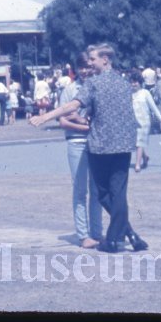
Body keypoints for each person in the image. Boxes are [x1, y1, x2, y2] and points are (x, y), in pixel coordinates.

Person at [30, 43, 147, 253]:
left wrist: (45, 116)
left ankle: (114, 239)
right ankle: (128, 235)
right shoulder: (123, 83)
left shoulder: (93, 83)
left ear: (105, 59)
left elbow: (72, 106)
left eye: (93, 59)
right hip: (123, 145)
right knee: (118, 193)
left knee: (103, 194)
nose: (90, 63)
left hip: (101, 146)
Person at [56, 54, 103, 249]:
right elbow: (62, 120)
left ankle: (97, 233)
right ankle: (83, 235)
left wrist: (81, 120)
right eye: (81, 67)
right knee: (80, 190)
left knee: (97, 190)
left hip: (97, 143)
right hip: (76, 142)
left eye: (87, 67)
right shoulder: (69, 90)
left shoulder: (99, 87)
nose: (85, 71)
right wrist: (84, 125)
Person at [130, 70, 161, 172]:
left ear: (140, 83)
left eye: (136, 82)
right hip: (132, 122)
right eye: (132, 82)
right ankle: (145, 157)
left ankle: (137, 165)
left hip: (144, 122)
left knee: (139, 142)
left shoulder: (145, 93)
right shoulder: (129, 94)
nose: (134, 84)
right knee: (136, 143)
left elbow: (153, 108)